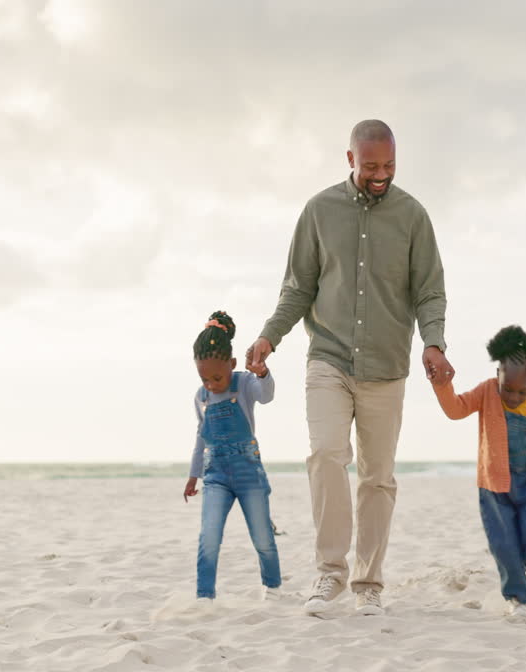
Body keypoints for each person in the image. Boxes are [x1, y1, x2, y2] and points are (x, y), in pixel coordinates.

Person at [245, 120, 453, 616]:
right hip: (329, 357)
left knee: (378, 477)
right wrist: (270, 335)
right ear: (350, 159)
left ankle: (368, 585)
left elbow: (430, 289)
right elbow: (298, 287)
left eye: (389, 165)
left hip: (386, 365)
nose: (381, 174)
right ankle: (329, 574)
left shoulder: (413, 216)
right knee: (325, 455)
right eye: (371, 166)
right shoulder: (319, 211)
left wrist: (434, 342)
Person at [430, 325, 526, 617]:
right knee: (503, 544)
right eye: (507, 388)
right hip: (494, 487)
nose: (512, 396)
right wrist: (442, 385)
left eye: (521, 391)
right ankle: (517, 600)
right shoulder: (486, 392)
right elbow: (456, 409)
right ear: (497, 371)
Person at [183, 311, 281, 601]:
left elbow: (267, 395)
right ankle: (204, 595)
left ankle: (273, 587)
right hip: (215, 476)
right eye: (204, 378)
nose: (212, 384)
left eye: (217, 376)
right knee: (209, 536)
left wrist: (262, 372)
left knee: (262, 536)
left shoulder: (245, 384)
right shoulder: (201, 397)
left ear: (233, 364)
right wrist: (193, 475)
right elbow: (202, 438)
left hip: (248, 471)